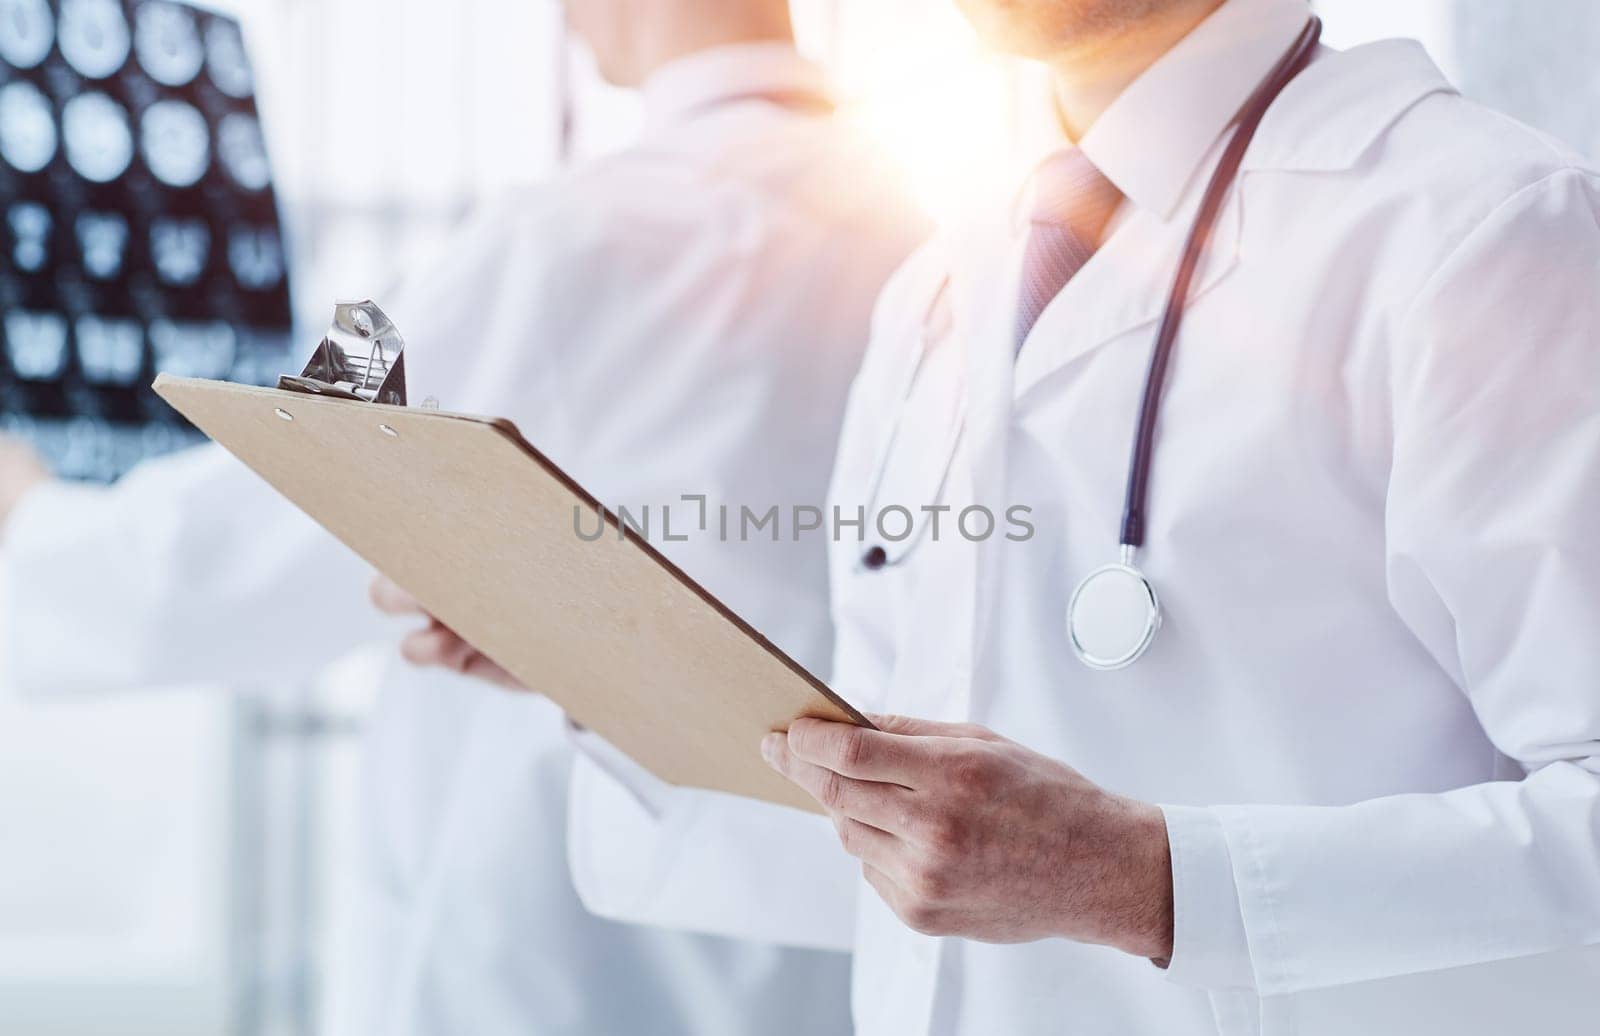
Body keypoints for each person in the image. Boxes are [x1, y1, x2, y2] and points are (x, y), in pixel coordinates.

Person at [393, 0, 1600, 1033]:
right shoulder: (941, 284)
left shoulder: (1481, 228)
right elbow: (907, 852)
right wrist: (600, 661)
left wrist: (1149, 881)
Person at [0, 0, 926, 1033]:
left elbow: (286, 484)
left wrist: (33, 515)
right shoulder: (930, 250)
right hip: (818, 945)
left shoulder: (544, 233)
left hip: (542, 948)